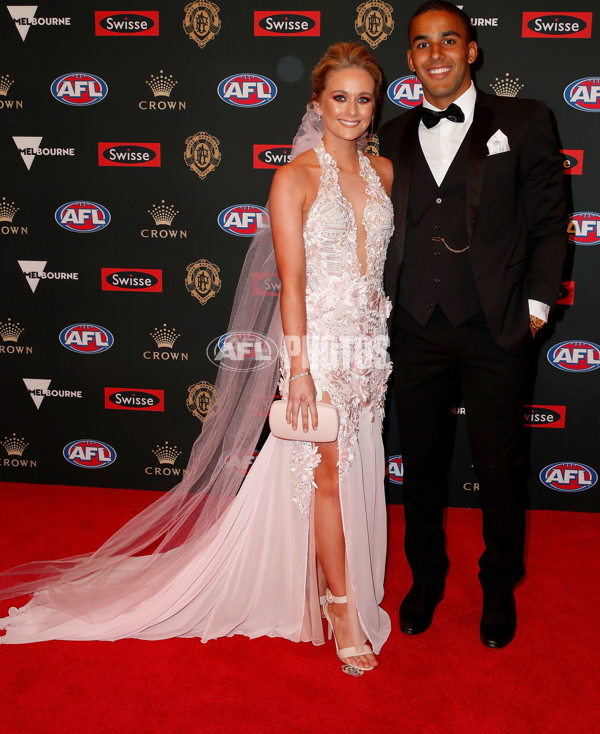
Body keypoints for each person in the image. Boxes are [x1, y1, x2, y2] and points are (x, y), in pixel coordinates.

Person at [0, 43, 394, 674]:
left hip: (371, 350)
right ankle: (342, 609)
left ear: (376, 106)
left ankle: (330, 581)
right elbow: (290, 284)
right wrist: (298, 370)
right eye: (338, 97)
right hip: (318, 346)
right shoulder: (294, 177)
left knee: (355, 471)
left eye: (363, 98)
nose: (350, 110)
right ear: (315, 103)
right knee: (325, 474)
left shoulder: (385, 174)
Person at [379, 0, 567, 649]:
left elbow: (550, 225)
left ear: (472, 51)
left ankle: (498, 585)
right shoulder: (391, 135)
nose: (436, 54)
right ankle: (425, 578)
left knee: (500, 464)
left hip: (496, 327)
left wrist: (537, 309)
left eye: (449, 41)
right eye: (423, 44)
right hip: (414, 327)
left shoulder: (525, 119)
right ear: (410, 58)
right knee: (422, 463)